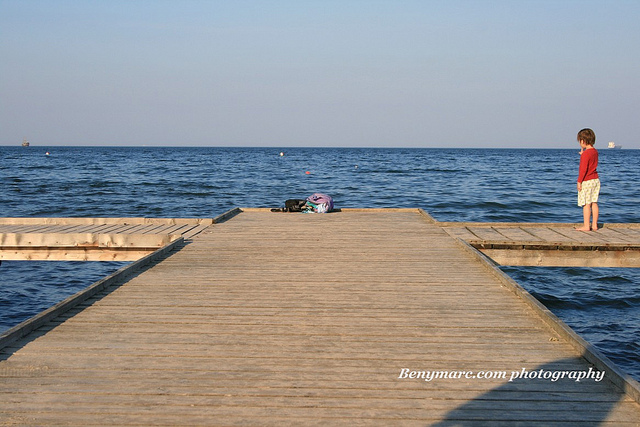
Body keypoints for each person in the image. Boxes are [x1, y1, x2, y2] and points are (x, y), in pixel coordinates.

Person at [575, 128, 600, 231]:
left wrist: (579, 181)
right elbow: (591, 162)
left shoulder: (585, 154)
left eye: (580, 141)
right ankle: (594, 225)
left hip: (587, 180)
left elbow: (583, 169)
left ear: (583, 141)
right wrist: (583, 155)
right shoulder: (595, 152)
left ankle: (586, 225)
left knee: (586, 204)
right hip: (595, 180)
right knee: (594, 202)